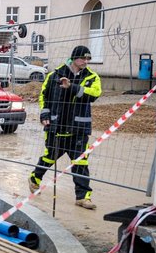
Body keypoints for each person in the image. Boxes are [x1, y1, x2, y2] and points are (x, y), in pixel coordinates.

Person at [28, 45, 102, 209]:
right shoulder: (55, 74)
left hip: (79, 129)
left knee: (80, 163)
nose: (86, 61)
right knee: (49, 157)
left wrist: (72, 87)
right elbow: (44, 96)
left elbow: (94, 94)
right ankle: (35, 178)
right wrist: (45, 115)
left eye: (88, 59)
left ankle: (83, 197)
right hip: (57, 126)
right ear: (74, 58)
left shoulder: (92, 77)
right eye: (83, 58)